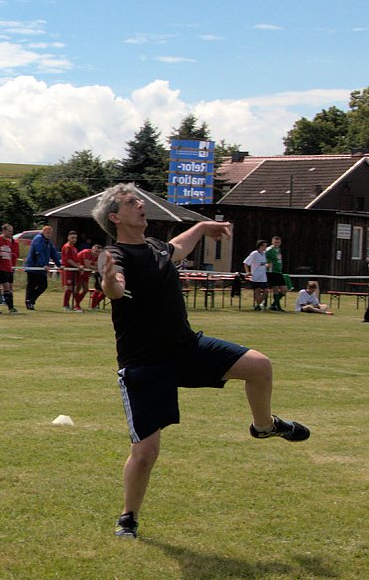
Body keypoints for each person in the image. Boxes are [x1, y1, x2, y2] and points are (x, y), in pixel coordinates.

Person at [92, 183, 310, 540]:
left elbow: (180, 246)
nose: (140, 204)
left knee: (260, 366)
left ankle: (264, 426)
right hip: (144, 364)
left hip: (186, 350)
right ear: (115, 216)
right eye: (132, 202)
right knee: (145, 452)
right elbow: (115, 287)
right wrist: (108, 281)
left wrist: (205, 228)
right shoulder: (114, 255)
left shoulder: (157, 248)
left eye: (140, 200)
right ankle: (128, 517)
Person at [24, 225, 61, 310]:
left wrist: (59, 265)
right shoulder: (38, 239)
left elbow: (53, 254)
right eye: (47, 233)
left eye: (51, 233)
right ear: (43, 232)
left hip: (42, 269)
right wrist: (43, 264)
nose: (49, 235)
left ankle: (31, 300)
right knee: (31, 285)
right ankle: (29, 301)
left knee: (43, 285)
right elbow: (38, 252)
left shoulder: (48, 242)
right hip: (33, 267)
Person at [0, 223, 19, 313]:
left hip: (8, 267)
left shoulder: (9, 242)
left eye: (12, 231)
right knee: (5, 287)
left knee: (9, 287)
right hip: (1, 268)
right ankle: (10, 307)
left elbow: (14, 254)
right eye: (9, 231)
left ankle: (10, 306)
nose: (11, 233)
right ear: (4, 231)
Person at [243, 240, 269, 311]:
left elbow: (262, 264)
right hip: (256, 276)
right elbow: (246, 262)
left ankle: (259, 303)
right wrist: (248, 272)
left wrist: (266, 265)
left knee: (266, 291)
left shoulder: (264, 254)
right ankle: (258, 306)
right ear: (260, 246)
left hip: (263, 276)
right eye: (264, 246)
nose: (265, 247)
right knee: (257, 290)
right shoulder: (254, 253)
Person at [61, 230, 83, 312]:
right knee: (69, 287)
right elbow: (69, 260)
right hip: (68, 269)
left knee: (75, 288)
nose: (74, 239)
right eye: (72, 238)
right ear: (68, 238)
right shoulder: (67, 247)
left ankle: (76, 305)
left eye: (75, 238)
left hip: (74, 270)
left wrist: (79, 267)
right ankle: (65, 305)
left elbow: (76, 260)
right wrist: (78, 266)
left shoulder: (74, 248)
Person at [77, 243, 103, 310]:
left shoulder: (97, 256)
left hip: (86, 274)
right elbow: (88, 265)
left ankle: (77, 304)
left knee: (85, 290)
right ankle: (75, 305)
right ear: (92, 249)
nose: (97, 253)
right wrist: (97, 268)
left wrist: (97, 268)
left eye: (99, 252)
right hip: (78, 273)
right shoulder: (86, 252)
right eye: (96, 251)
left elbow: (96, 265)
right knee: (77, 289)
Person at [265, 235, 287, 311]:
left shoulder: (278, 250)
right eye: (275, 242)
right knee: (276, 289)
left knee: (284, 289)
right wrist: (266, 265)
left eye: (278, 242)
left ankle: (273, 305)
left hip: (279, 272)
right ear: (272, 242)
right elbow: (262, 258)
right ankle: (278, 307)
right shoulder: (269, 250)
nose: (277, 243)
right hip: (272, 272)